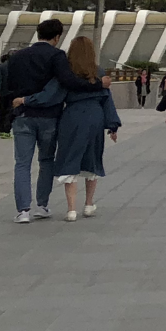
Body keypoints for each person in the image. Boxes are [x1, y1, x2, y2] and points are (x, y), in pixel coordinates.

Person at [4, 19, 96, 222]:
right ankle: (42, 205)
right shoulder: (57, 56)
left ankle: (23, 210)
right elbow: (68, 81)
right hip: (48, 116)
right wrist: (96, 85)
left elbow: (8, 84)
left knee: (22, 163)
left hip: (22, 115)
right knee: (46, 161)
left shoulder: (18, 56)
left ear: (38, 34)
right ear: (57, 37)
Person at [48, 35, 120, 221]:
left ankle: (71, 209)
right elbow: (106, 99)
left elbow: (56, 94)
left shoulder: (67, 71)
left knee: (70, 157)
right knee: (92, 158)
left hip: (72, 115)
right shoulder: (98, 71)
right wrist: (112, 125)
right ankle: (88, 204)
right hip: (95, 115)